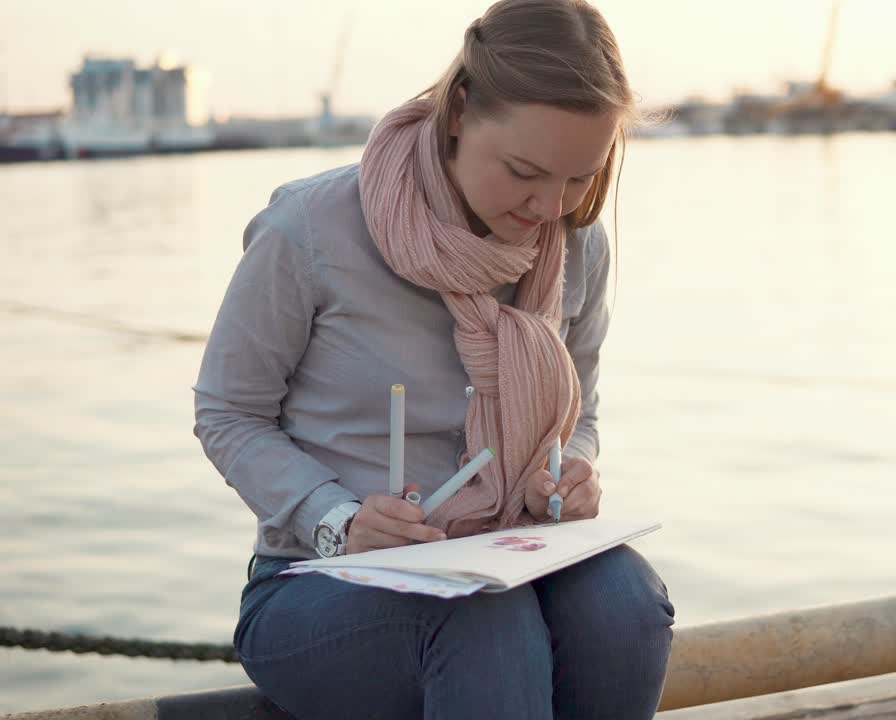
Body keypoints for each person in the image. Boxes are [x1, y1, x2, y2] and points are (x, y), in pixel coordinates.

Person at [192, 1, 675, 717]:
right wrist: (338, 518)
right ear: (457, 113)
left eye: (580, 177)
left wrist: (567, 472)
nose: (550, 206)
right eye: (524, 171)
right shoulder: (310, 230)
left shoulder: (579, 243)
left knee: (628, 605)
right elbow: (228, 412)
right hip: (321, 580)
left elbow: (583, 412)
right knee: (481, 620)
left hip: (515, 557)